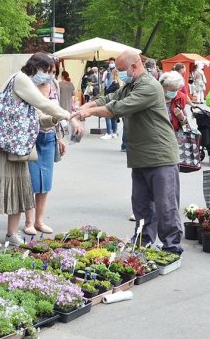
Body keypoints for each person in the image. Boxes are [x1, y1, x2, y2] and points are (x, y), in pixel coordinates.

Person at [0, 52, 83, 249]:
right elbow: (43, 104)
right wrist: (68, 116)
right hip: (1, 146)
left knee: (20, 191)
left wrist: (54, 119)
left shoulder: (26, 83)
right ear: (36, 67)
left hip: (17, 147)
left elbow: (37, 116)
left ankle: (12, 234)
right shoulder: (20, 79)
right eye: (47, 71)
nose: (48, 76)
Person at [74, 49, 183, 254]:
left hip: (160, 155)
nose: (119, 74)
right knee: (141, 204)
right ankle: (143, 240)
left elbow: (118, 107)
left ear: (134, 66)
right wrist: (88, 104)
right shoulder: (131, 85)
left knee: (165, 205)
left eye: (122, 70)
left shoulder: (149, 86)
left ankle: (172, 246)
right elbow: (110, 97)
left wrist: (89, 112)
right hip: (140, 156)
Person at [24, 64, 72, 236]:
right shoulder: (29, 85)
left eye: (53, 71)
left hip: (49, 136)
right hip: (32, 136)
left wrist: (59, 137)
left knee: (45, 181)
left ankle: (39, 220)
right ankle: (29, 222)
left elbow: (57, 111)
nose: (51, 74)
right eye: (48, 71)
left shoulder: (54, 85)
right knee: (30, 181)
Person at [101, 68, 120, 139]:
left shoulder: (114, 83)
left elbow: (108, 91)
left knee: (107, 117)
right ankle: (114, 132)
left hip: (111, 101)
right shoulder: (119, 83)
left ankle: (109, 133)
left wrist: (105, 88)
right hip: (116, 102)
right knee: (113, 117)